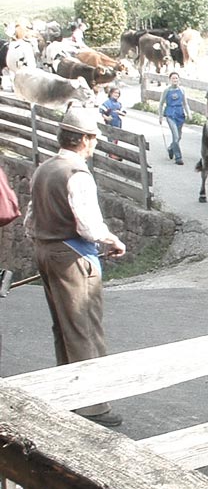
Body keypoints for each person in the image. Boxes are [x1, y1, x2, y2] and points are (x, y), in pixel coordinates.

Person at [23, 106, 127, 427]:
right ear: (82, 139)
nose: (94, 144)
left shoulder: (44, 169)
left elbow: (30, 220)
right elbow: (88, 227)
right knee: (85, 329)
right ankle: (94, 407)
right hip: (73, 257)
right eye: (93, 138)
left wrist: (48, 244)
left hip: (46, 252)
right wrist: (111, 241)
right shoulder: (77, 173)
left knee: (63, 328)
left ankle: (68, 398)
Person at [158, 71, 192, 165]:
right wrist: (160, 116)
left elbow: (185, 103)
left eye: (176, 78)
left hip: (180, 114)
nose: (175, 80)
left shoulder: (182, 90)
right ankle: (178, 157)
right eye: (173, 78)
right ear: (170, 80)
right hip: (170, 114)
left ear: (179, 80)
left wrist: (189, 113)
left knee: (179, 136)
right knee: (175, 135)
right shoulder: (167, 90)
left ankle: (171, 148)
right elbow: (161, 104)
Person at [99, 86, 126, 160]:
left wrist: (119, 112)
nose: (116, 95)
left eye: (118, 93)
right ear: (110, 93)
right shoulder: (107, 103)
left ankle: (113, 153)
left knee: (116, 138)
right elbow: (102, 111)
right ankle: (111, 154)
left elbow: (124, 113)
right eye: (115, 93)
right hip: (110, 123)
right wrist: (106, 117)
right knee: (110, 138)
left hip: (117, 123)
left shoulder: (119, 104)